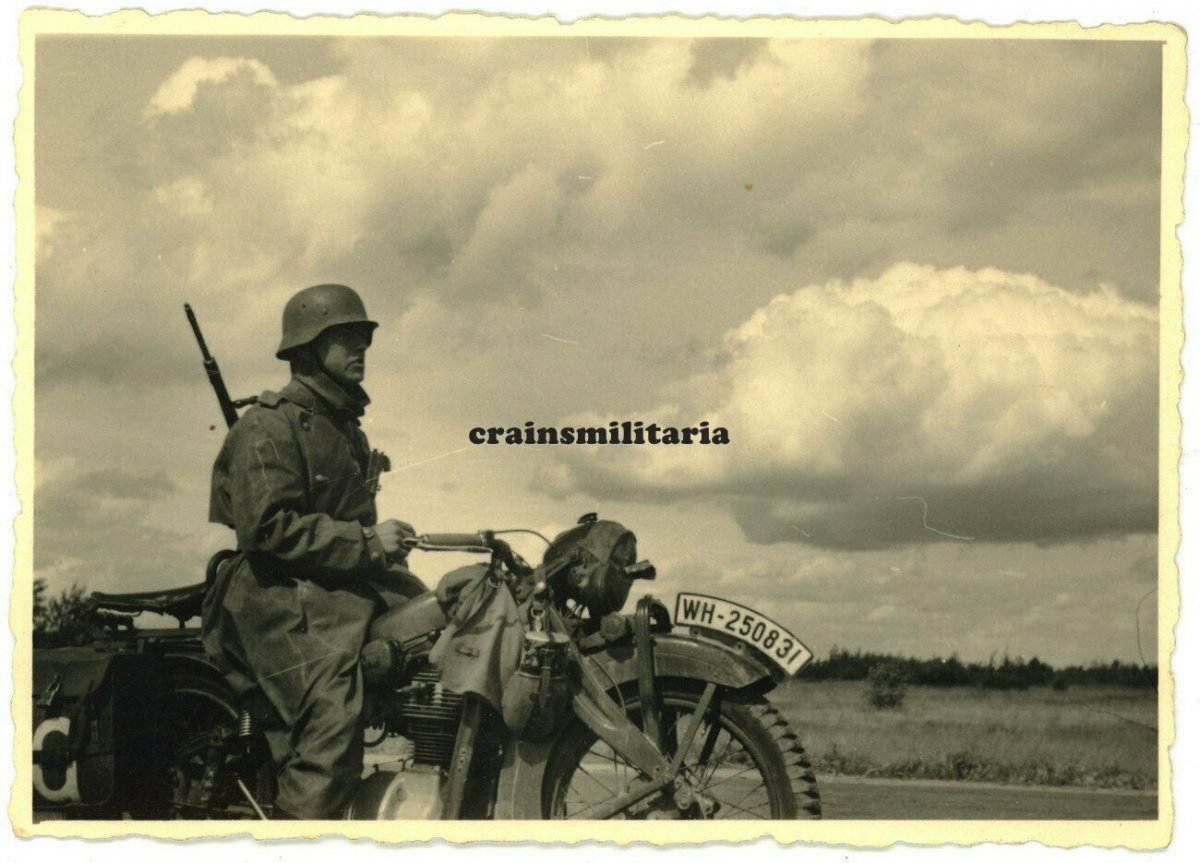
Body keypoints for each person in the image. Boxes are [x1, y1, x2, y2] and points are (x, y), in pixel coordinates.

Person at [202, 283, 423, 819]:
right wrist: (367, 541)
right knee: (332, 713)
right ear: (306, 348)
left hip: (336, 587)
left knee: (443, 628)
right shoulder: (267, 425)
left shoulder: (344, 428)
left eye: (363, 337)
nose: (361, 347)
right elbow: (267, 530)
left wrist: (381, 550)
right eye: (345, 337)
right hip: (272, 595)